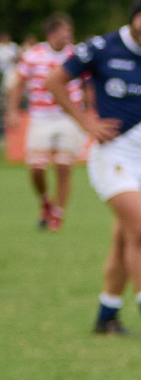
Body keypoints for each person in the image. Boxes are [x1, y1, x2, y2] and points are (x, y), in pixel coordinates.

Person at [48, 0, 141, 337]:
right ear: (134, 17)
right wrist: (85, 121)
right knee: (140, 231)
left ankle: (106, 316)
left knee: (125, 239)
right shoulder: (102, 48)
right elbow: (55, 80)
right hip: (112, 154)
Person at [9, 13, 83, 231]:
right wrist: (13, 110)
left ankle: (58, 215)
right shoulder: (33, 55)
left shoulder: (77, 55)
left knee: (63, 166)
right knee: (37, 169)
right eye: (65, 31)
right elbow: (18, 84)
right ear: (52, 33)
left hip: (69, 116)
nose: (69, 35)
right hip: (40, 117)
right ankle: (45, 202)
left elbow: (89, 83)